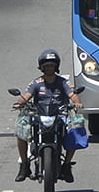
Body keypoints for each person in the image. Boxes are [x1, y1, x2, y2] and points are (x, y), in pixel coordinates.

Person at [13, 50, 84, 182]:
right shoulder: (37, 83)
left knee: (75, 130)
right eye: (46, 66)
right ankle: (24, 166)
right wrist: (19, 103)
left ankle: (67, 165)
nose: (49, 68)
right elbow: (26, 96)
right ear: (42, 67)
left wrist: (77, 103)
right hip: (39, 116)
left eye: (51, 66)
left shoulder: (63, 82)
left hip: (60, 116)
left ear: (56, 67)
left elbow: (72, 95)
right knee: (21, 131)